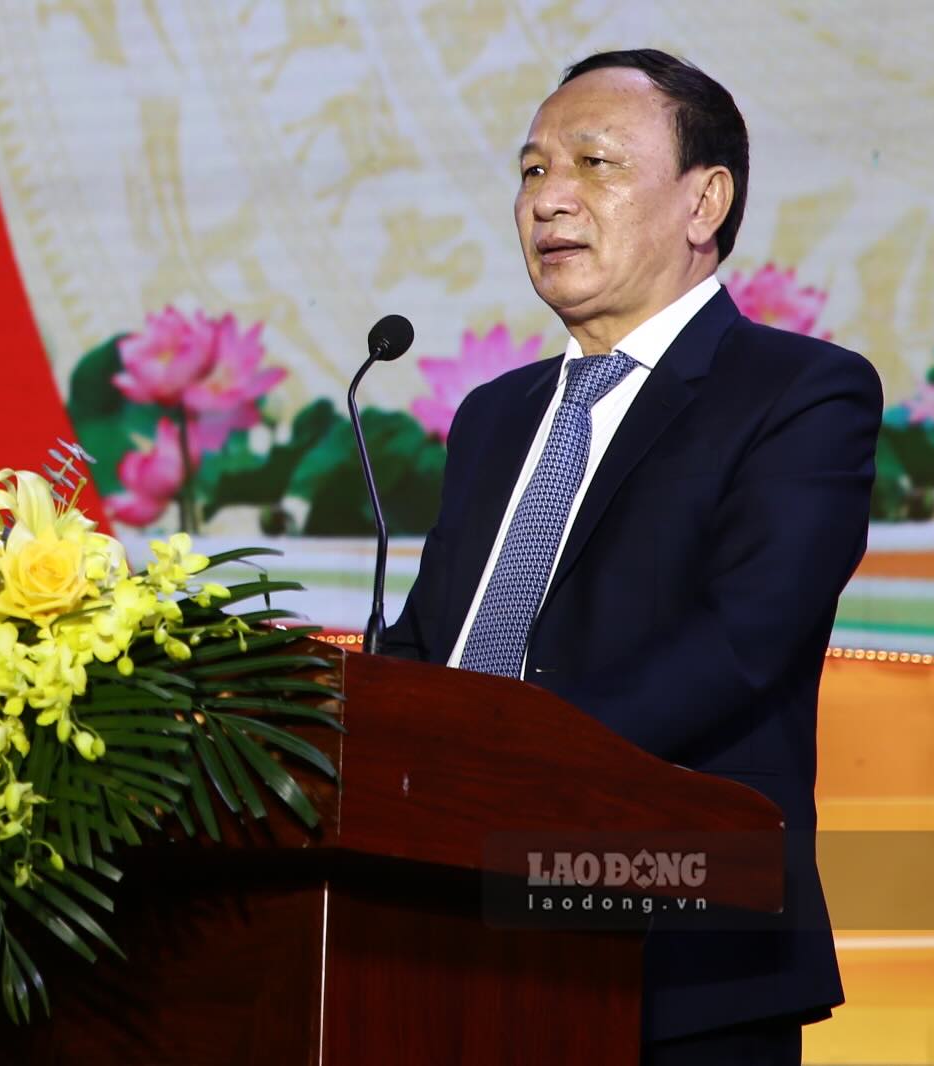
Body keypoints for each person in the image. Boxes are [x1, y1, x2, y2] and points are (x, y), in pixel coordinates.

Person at [381, 49, 882, 1066]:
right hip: (441, 950)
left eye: (592, 163)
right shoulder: (490, 417)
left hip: (676, 954)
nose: (546, 198)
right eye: (528, 170)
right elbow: (434, 643)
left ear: (703, 201)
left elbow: (742, 640)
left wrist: (499, 769)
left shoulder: (799, 393)